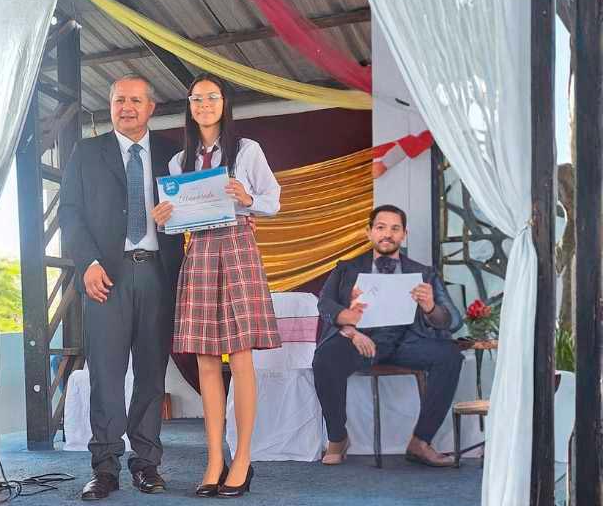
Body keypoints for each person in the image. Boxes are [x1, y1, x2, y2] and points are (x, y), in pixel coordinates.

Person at [152, 73, 281, 498]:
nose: (204, 104)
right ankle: (213, 459)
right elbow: (178, 224)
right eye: (196, 98)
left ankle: (242, 458)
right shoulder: (178, 163)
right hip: (201, 252)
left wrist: (247, 198)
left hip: (240, 246)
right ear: (189, 106)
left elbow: (273, 202)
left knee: (241, 357)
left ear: (225, 103)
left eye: (212, 97)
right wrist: (165, 219)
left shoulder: (247, 150)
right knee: (207, 359)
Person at [59, 74, 184, 501]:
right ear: (110, 106)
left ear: (151, 107)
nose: (126, 107)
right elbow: (70, 214)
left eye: (135, 100)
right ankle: (105, 468)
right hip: (105, 277)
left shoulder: (173, 155)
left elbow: (195, 212)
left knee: (151, 375)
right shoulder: (86, 152)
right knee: (106, 378)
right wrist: (87, 264)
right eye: (118, 100)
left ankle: (146, 465)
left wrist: (180, 216)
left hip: (158, 275)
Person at [312, 204, 463, 467]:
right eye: (381, 227)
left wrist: (430, 308)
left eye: (395, 229)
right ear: (369, 231)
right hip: (361, 340)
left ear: (404, 234)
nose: (387, 234)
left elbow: (454, 320)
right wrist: (349, 325)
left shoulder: (424, 272)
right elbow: (325, 304)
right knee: (325, 357)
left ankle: (421, 441)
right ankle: (338, 437)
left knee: (450, 355)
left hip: (408, 341)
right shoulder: (346, 268)